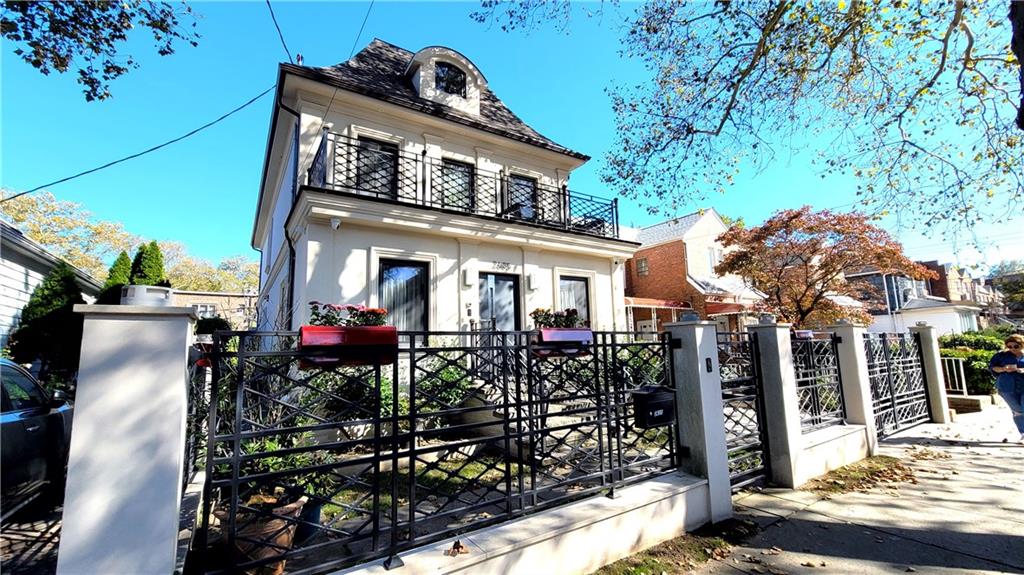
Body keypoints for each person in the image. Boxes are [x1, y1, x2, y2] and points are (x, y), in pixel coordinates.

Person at [990, 334, 1024, 441]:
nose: (1012, 349)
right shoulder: (1001, 356)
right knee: (1017, 411)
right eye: (1009, 347)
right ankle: (1023, 432)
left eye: (1015, 346)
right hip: (1006, 386)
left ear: (1022, 345)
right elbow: (993, 368)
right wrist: (1004, 369)